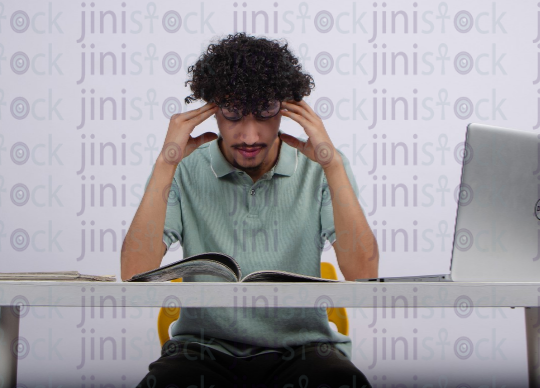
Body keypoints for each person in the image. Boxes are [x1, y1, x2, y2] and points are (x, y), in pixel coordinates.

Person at [121, 33, 378, 388]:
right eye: (233, 114)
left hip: (303, 349)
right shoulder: (184, 167)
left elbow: (364, 275)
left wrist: (332, 165)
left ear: (287, 108)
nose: (249, 135)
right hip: (203, 349)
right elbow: (133, 275)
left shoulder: (320, 168)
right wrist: (166, 164)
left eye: (265, 113)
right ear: (211, 108)